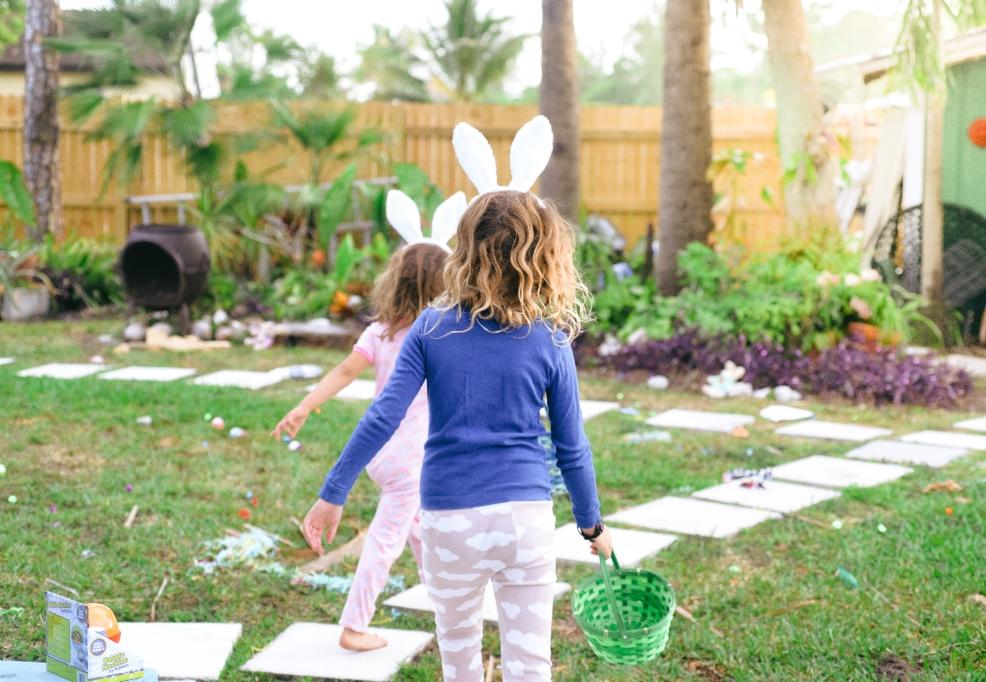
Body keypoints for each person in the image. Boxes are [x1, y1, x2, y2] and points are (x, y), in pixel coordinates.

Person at [300, 115, 612, 680]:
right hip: (525, 519)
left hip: (449, 519)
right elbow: (572, 446)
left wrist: (333, 492)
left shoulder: (430, 329)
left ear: (463, 249)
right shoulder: (551, 338)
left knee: (460, 661)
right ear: (545, 254)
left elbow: (383, 418)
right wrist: (591, 525)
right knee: (530, 664)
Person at [273, 189, 464, 652]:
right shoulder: (443, 333)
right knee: (385, 540)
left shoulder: (378, 332)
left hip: (378, 450)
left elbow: (342, 372)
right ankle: (354, 627)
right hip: (413, 457)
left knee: (420, 530)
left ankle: (446, 610)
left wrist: (303, 407)